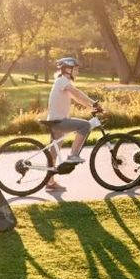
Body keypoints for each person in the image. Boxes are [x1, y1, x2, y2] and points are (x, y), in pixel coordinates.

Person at [43, 57, 100, 193]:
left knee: (54, 151)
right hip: (59, 121)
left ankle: (49, 182)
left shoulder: (63, 82)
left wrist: (91, 106)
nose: (78, 72)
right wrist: (93, 102)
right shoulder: (62, 81)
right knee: (85, 126)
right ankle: (73, 155)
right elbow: (77, 92)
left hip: (56, 120)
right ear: (67, 70)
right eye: (76, 69)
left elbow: (77, 98)